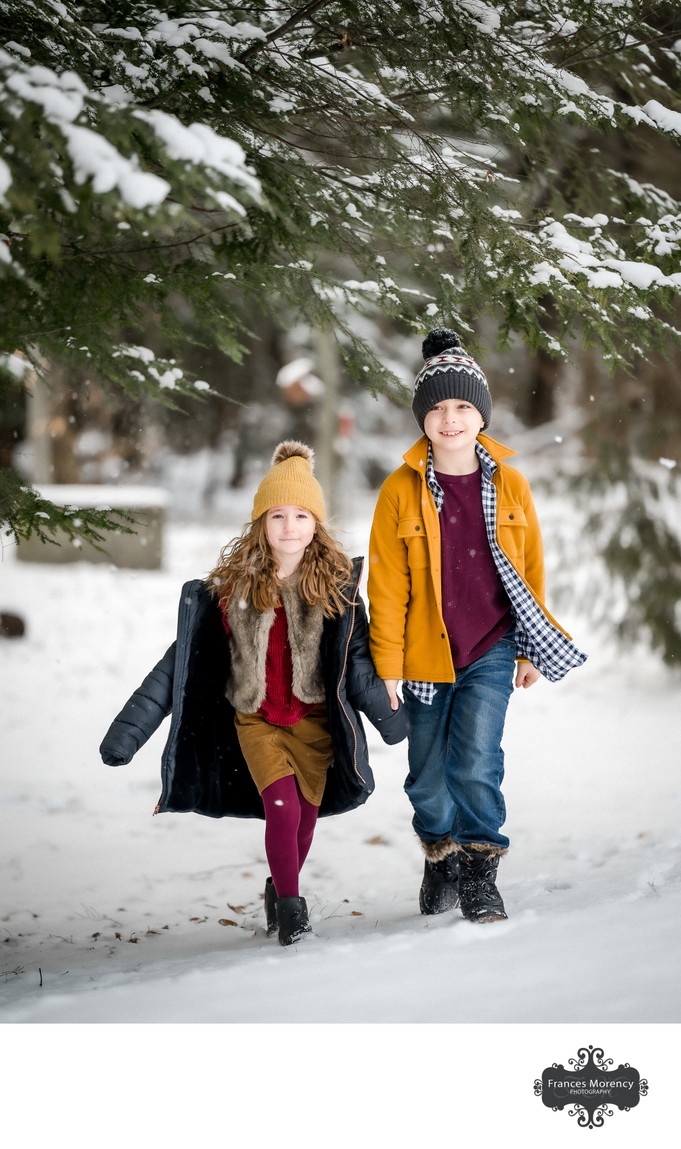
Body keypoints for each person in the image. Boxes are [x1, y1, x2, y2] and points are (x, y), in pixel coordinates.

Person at [100, 441, 406, 946]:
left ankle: (278, 886)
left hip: (314, 723)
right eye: (278, 515)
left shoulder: (335, 589)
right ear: (260, 524)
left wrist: (396, 721)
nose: (290, 526)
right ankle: (292, 912)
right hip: (256, 719)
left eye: (302, 515)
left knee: (305, 819)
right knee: (282, 809)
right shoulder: (232, 590)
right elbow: (178, 664)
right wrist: (127, 736)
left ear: (316, 525)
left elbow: (357, 664)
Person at [367, 328, 587, 924]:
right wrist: (387, 664)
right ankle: (440, 852)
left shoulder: (509, 484)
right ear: (423, 419)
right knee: (428, 780)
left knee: (476, 761)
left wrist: (529, 648)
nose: (451, 418)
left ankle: (479, 871)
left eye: (463, 405)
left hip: (491, 647)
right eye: (437, 407)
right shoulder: (400, 491)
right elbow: (386, 586)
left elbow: (531, 566)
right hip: (424, 656)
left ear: (481, 415)